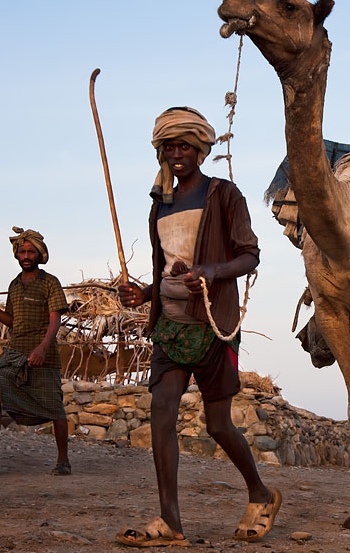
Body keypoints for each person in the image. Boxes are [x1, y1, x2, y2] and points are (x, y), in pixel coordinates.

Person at [115, 107, 281, 547]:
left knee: (218, 425)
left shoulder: (224, 194)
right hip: (170, 327)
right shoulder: (160, 204)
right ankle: (171, 521)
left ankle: (261, 493)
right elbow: (164, 269)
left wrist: (211, 270)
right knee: (162, 408)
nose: (176, 153)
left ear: (201, 149)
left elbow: (250, 255)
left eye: (184, 145)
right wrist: (144, 294)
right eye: (169, 146)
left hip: (212, 324)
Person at [0, 227, 71, 476]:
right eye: (23, 251)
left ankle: (63, 461)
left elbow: (55, 321)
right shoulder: (14, 285)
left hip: (44, 356)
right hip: (15, 353)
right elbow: (12, 321)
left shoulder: (50, 283)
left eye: (31, 251)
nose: (26, 255)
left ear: (40, 254)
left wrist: (42, 348)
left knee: (55, 408)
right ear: (17, 255)